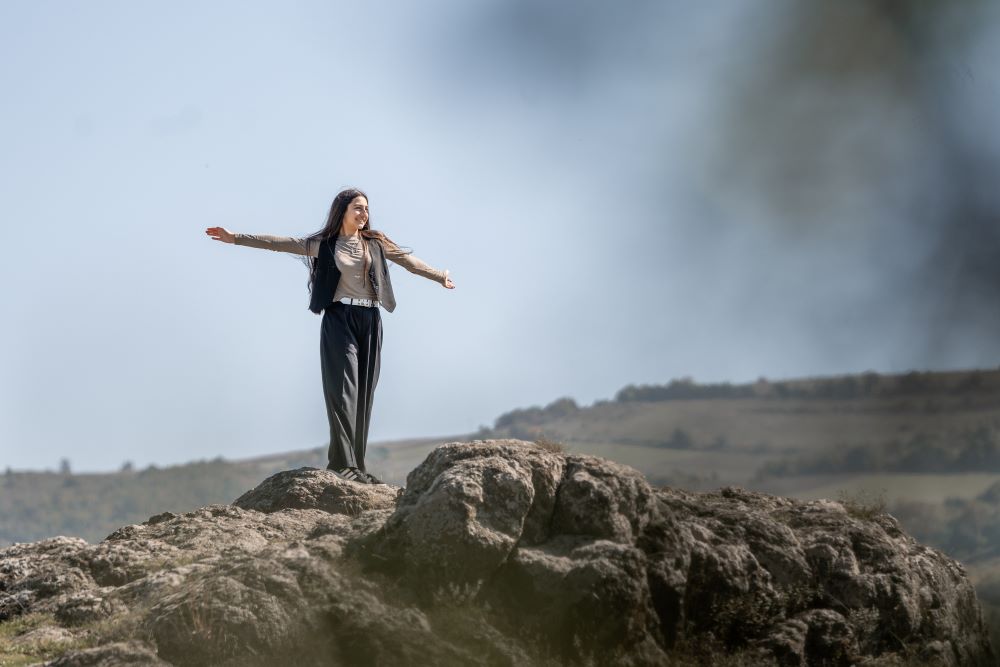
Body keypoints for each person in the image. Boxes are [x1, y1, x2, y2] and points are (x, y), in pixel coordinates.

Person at [205, 187, 455, 484]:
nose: (364, 214)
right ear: (343, 211)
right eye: (358, 208)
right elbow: (280, 244)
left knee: (364, 393)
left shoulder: (376, 243)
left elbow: (408, 263)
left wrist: (439, 276)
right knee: (343, 391)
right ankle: (342, 463)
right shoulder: (324, 244)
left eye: (366, 209)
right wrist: (236, 238)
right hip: (339, 319)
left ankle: (357, 467)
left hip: (371, 319)